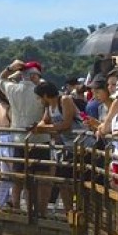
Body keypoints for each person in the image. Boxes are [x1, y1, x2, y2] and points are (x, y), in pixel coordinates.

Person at [0, 59, 47, 210]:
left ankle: (17, 207)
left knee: (18, 177)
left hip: (18, 139)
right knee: (40, 177)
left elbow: (0, 79)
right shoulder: (41, 90)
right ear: (35, 76)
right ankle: (39, 210)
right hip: (40, 138)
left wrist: (10, 68)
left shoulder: (13, 89)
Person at [31, 80, 78, 214]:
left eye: (39, 97)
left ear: (45, 95)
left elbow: (66, 124)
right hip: (65, 148)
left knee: (76, 182)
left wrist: (43, 128)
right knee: (63, 181)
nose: (39, 100)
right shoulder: (49, 107)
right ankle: (69, 211)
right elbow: (44, 121)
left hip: (79, 145)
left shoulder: (65, 100)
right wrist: (38, 126)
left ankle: (79, 212)